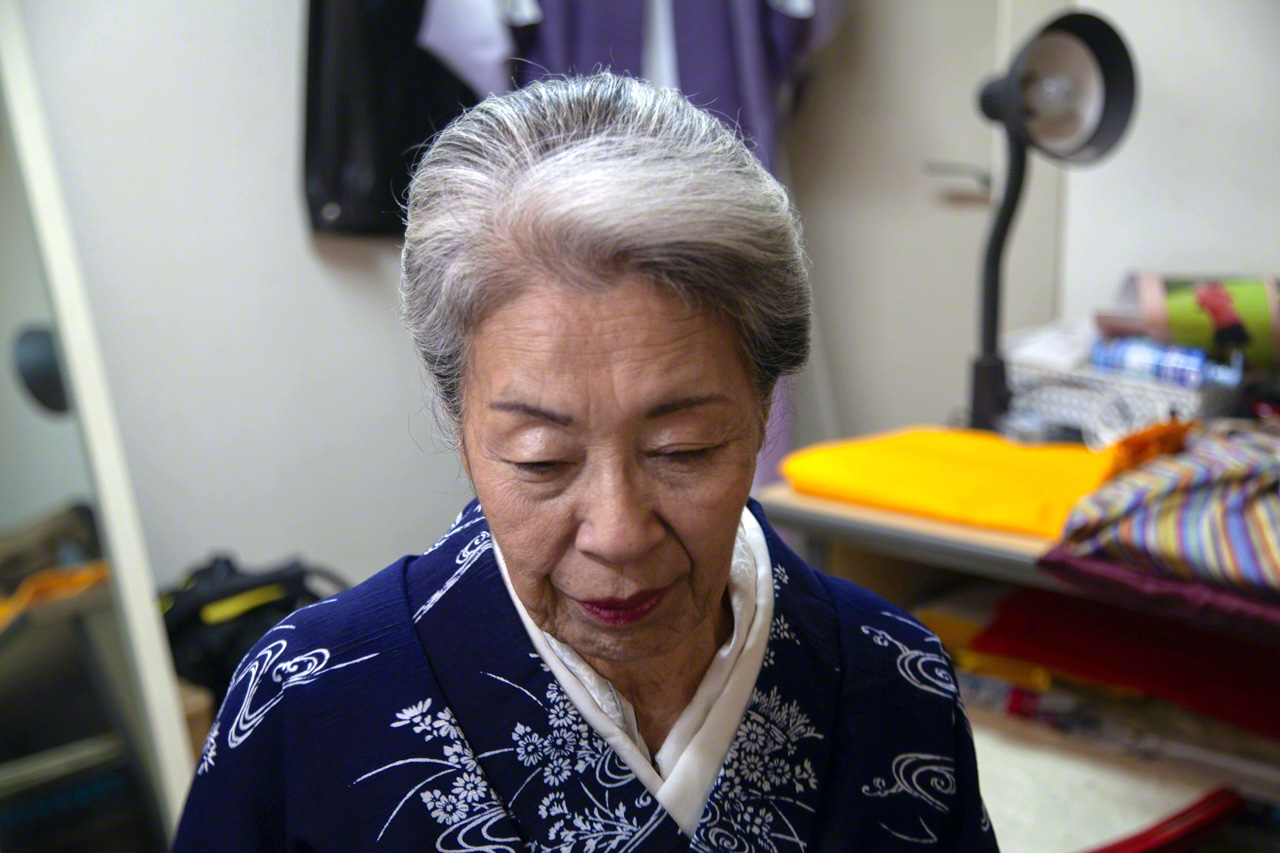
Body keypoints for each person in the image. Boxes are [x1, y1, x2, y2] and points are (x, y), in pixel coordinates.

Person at [172, 73, 996, 852]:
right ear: (460, 422)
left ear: (762, 406)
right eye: (542, 458)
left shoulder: (895, 677)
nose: (619, 533)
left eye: (684, 450)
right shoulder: (303, 701)